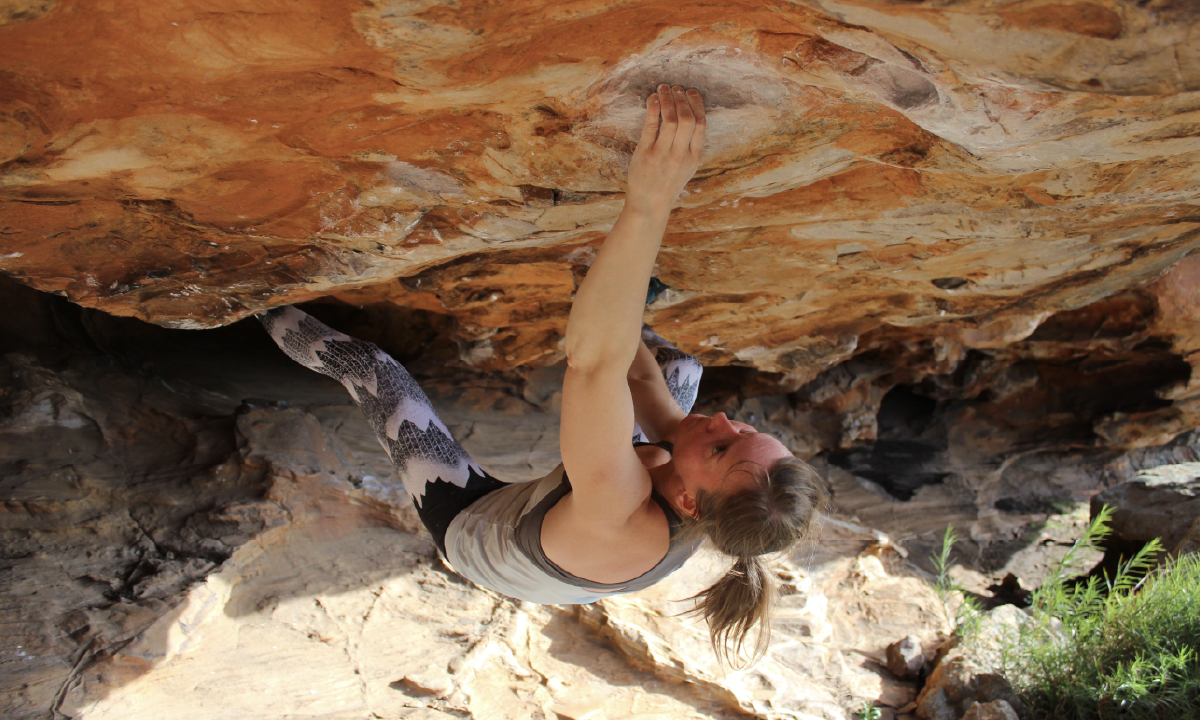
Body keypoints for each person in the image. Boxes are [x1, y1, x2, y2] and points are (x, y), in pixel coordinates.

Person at [258, 84, 827, 665]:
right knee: (678, 370)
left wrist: (651, 199)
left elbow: (595, 363)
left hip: (479, 535)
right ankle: (599, 291)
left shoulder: (619, 500)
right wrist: (611, 297)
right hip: (584, 531)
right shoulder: (699, 484)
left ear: (687, 500)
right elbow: (646, 387)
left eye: (724, 445)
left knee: (373, 371)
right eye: (746, 429)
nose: (724, 421)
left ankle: (252, 297)